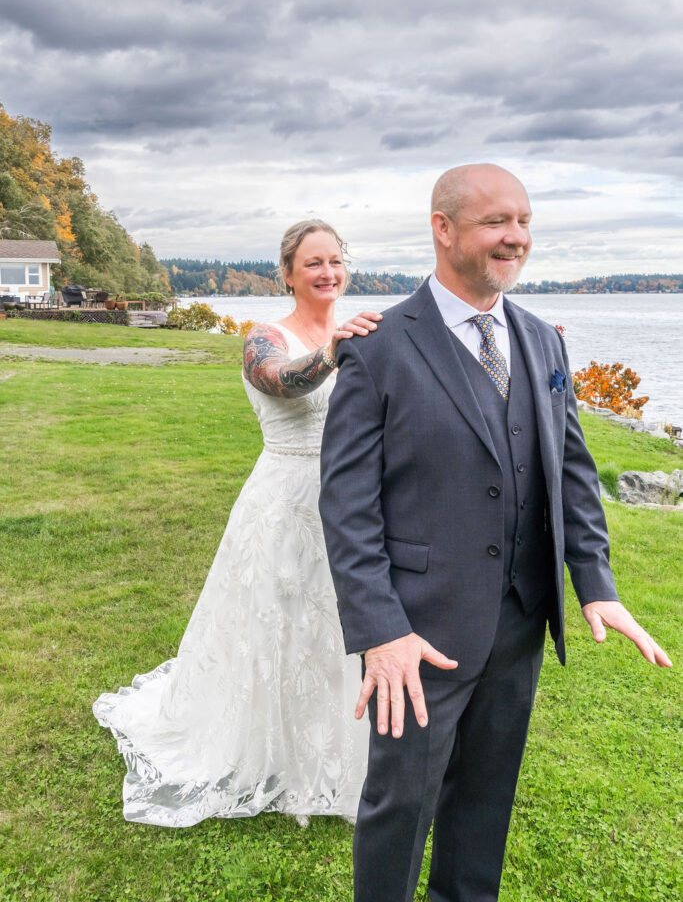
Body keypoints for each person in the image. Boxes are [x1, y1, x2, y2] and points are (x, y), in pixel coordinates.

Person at [319, 164, 672, 902]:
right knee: (400, 804)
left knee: (484, 800)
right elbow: (346, 504)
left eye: (522, 221)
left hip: (517, 623)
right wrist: (380, 629)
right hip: (417, 632)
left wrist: (593, 583)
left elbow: (570, 471)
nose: (514, 237)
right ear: (442, 229)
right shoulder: (379, 345)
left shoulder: (542, 340)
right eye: (493, 222)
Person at [93, 219, 381, 827]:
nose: (328, 273)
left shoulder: (362, 329)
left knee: (338, 618)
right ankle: (265, 745)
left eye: (336, 260)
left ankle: (338, 739)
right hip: (284, 498)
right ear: (287, 273)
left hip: (350, 501)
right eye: (313, 264)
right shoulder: (262, 338)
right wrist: (332, 353)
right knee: (276, 619)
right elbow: (280, 379)